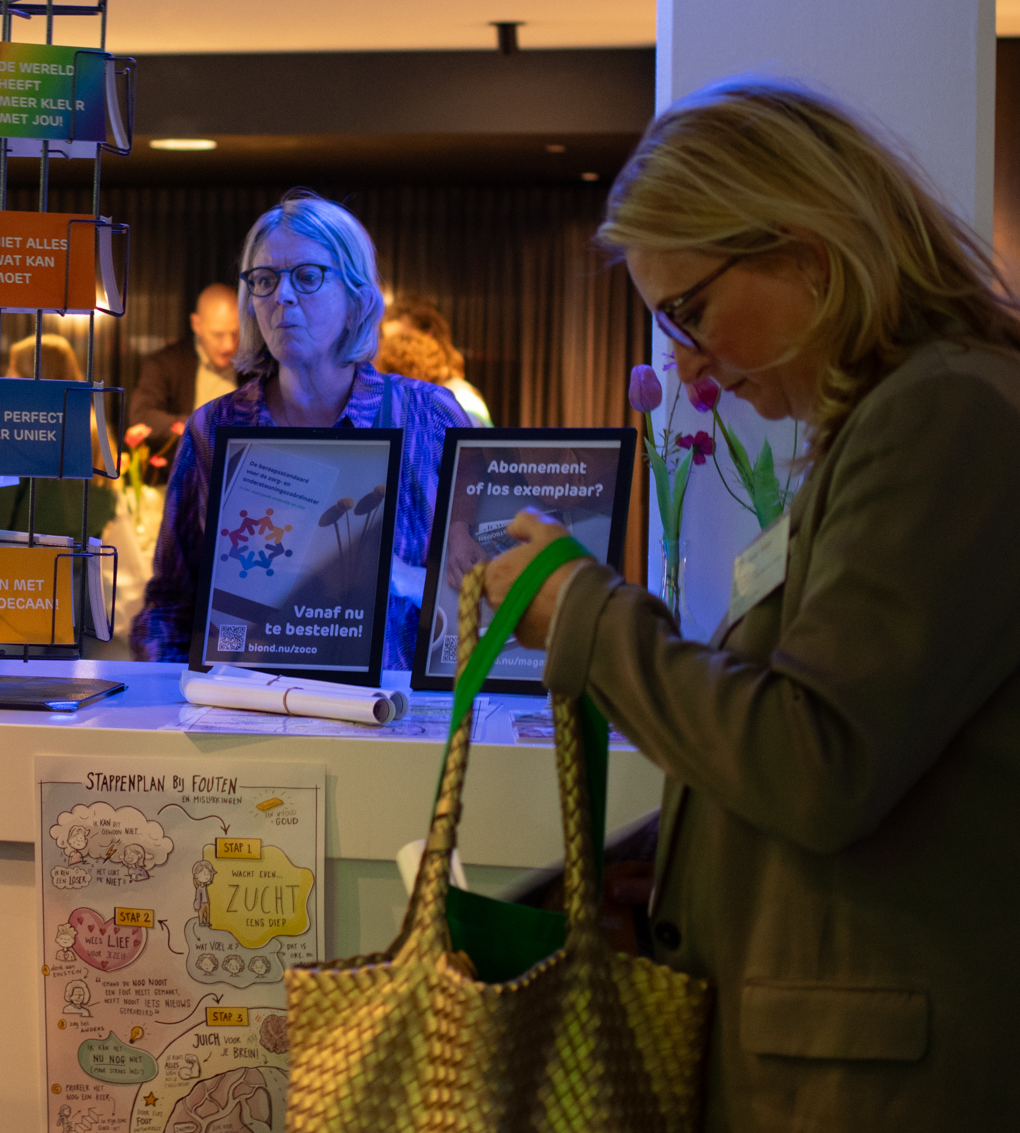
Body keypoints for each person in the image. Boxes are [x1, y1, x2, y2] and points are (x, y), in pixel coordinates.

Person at [485, 78, 1020, 1130]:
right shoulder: (899, 415)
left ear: (804, 251)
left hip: (873, 1083)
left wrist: (584, 614)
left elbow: (810, 758)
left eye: (687, 311)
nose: (687, 362)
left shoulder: (941, 414)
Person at [132, 193, 469, 668]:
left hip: (394, 727)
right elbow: (169, 605)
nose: (281, 296)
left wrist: (412, 582)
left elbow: (493, 590)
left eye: (307, 277)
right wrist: (173, 703)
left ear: (357, 299)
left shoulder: (428, 416)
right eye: (264, 280)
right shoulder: (214, 428)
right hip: (245, 724)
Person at [0, 334, 117, 541]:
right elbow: (107, 507)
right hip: (76, 564)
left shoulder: (18, 433)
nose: (6, 375)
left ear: (29, 377)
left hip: (18, 566)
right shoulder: (94, 430)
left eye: (13, 367)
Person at [127, 283, 240, 460]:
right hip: (183, 475)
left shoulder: (255, 367)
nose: (229, 345)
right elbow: (142, 416)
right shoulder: (165, 363)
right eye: (218, 335)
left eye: (235, 334)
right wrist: (202, 425)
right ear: (197, 324)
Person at [384, 293, 492, 426]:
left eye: (401, 340)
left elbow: (474, 445)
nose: (387, 351)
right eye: (386, 341)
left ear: (427, 336)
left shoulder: (462, 400)